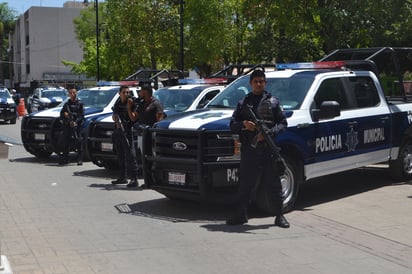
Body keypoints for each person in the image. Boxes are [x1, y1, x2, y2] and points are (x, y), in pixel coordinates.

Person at [226, 69, 290, 228]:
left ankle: (279, 215)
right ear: (250, 83)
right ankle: (241, 214)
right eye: (256, 81)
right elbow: (232, 125)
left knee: (274, 184)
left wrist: (268, 133)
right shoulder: (243, 103)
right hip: (250, 150)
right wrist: (244, 125)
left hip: (269, 150)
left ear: (265, 83)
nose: (259, 84)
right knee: (246, 184)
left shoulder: (273, 102)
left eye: (261, 81)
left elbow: (283, 124)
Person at [111, 85, 140, 188]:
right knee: (120, 155)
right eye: (124, 92)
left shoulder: (132, 102)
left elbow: (134, 117)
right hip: (118, 131)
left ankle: (134, 179)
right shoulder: (118, 102)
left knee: (131, 155)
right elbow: (114, 113)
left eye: (128, 92)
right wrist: (115, 119)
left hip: (128, 131)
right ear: (120, 93)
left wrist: (129, 107)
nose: (126, 94)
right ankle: (123, 177)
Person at [59, 88, 85, 166]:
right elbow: (61, 114)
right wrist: (65, 115)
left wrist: (75, 122)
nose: (73, 94)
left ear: (76, 93)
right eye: (71, 93)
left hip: (77, 125)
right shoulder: (66, 104)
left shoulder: (80, 104)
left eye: (74, 92)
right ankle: (65, 159)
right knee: (66, 141)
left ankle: (79, 159)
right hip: (68, 125)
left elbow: (81, 116)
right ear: (69, 94)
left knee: (79, 141)